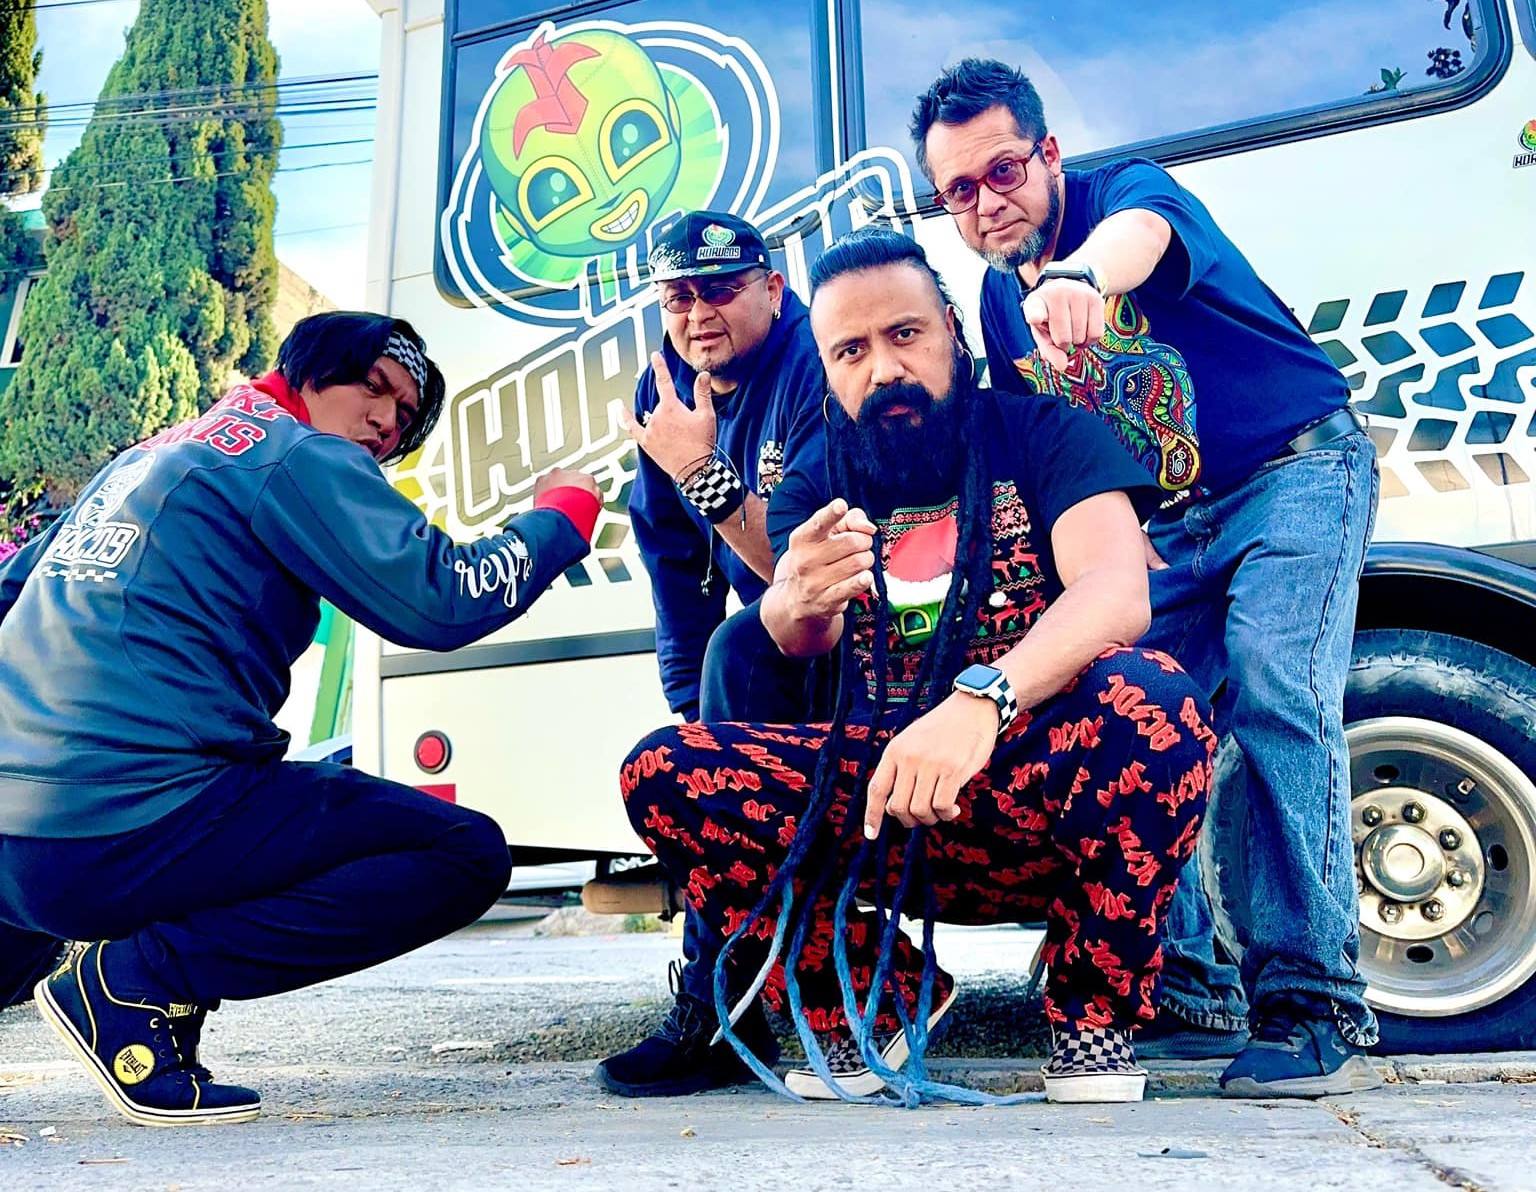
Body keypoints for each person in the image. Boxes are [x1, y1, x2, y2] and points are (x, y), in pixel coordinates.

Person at [618, 227, 1216, 1104]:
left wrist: (984, 700)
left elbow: (1117, 593)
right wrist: (793, 601)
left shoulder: (1043, 433)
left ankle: (1093, 1020)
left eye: (905, 335)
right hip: (879, 805)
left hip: (1029, 794)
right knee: (663, 771)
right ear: (827, 369)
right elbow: (793, 641)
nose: (884, 369)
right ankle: (877, 996)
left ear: (951, 332)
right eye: (851, 351)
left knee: (1157, 703)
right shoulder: (815, 476)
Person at [0, 311, 601, 1127]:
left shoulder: (143, 460)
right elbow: (439, 600)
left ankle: (129, 994)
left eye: (405, 419)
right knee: (461, 852)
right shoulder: (294, 452)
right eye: (375, 388)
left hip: (16, 839)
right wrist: (560, 518)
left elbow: (10, 593)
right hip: (125, 823)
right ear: (311, 370)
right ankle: (135, 986)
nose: (386, 422)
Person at [912, 59, 1382, 1097]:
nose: (988, 203)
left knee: (1276, 693)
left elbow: (1142, 239)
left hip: (1294, 470)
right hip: (1170, 526)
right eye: (959, 191)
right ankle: (1190, 985)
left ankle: (1315, 1003)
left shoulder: (1124, 196)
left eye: (1003, 170)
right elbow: (1056, 444)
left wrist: (1084, 278)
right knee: (1132, 710)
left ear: (1048, 155)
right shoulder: (995, 302)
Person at [597, 211, 827, 1097]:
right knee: (703, 742)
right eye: (677, 297)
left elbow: (809, 569)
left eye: (721, 290)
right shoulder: (665, 390)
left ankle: (733, 999)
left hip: (867, 629)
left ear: (772, 287)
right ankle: (725, 1005)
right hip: (771, 640)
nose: (697, 316)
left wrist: (702, 470)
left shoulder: (815, 361)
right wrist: (687, 702)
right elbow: (670, 557)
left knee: (739, 647)